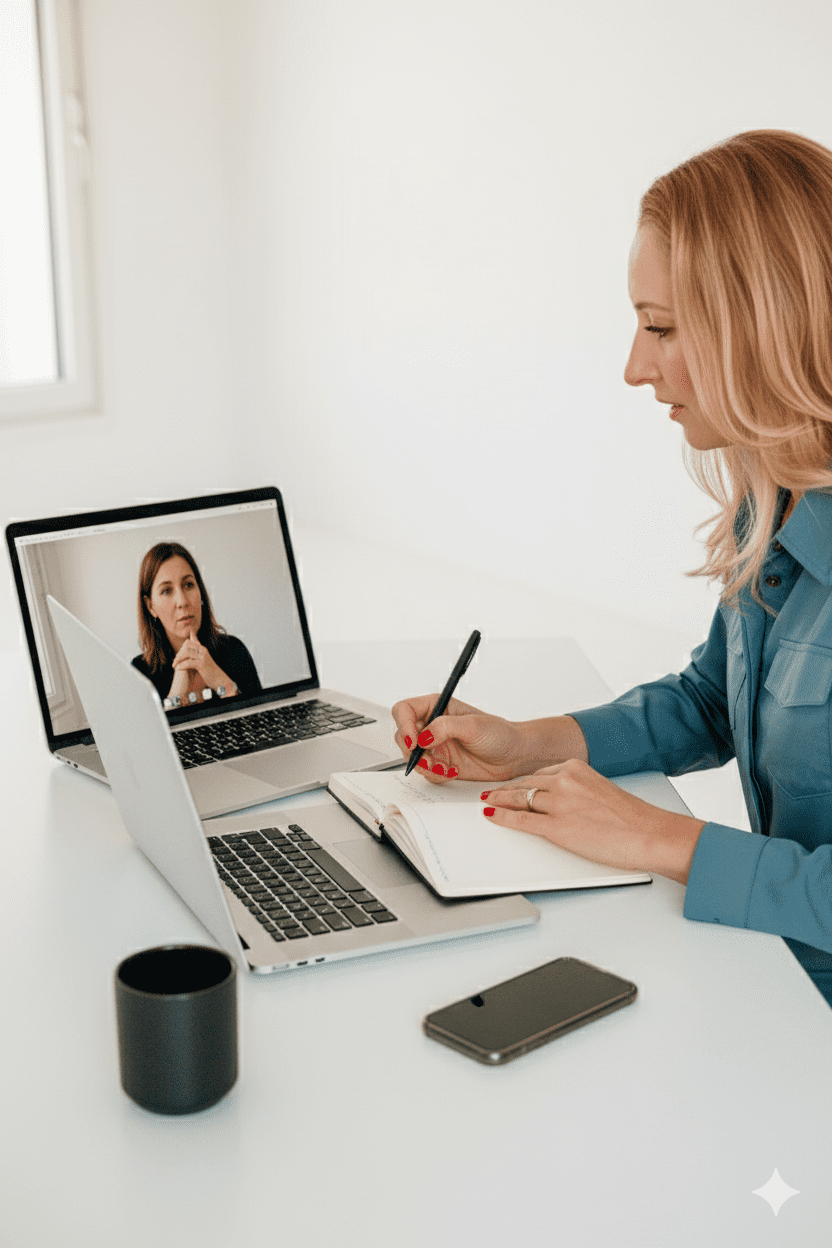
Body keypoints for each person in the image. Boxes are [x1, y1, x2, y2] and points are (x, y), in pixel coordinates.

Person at [392, 129, 832, 1008]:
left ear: (766, 326)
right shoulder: (776, 497)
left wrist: (661, 840)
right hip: (770, 978)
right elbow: (714, 699)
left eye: (661, 328)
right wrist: (532, 743)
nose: (635, 368)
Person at [132, 542, 262, 706]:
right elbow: (148, 732)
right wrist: (175, 697)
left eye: (188, 585)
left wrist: (222, 683)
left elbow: (263, 727)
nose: (182, 601)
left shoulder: (234, 651)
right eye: (166, 590)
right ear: (150, 606)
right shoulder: (138, 674)